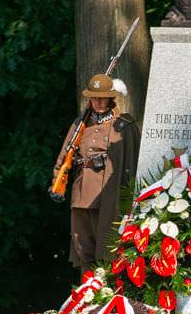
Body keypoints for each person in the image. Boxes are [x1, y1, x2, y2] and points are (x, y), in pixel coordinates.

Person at [52, 74, 140, 274]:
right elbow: (64, 157)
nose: (99, 102)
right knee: (83, 249)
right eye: (94, 97)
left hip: (110, 195)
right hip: (82, 194)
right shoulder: (80, 124)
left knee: (109, 250)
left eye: (103, 97)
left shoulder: (124, 125)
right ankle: (88, 298)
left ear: (111, 98)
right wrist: (57, 181)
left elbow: (134, 163)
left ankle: (110, 298)